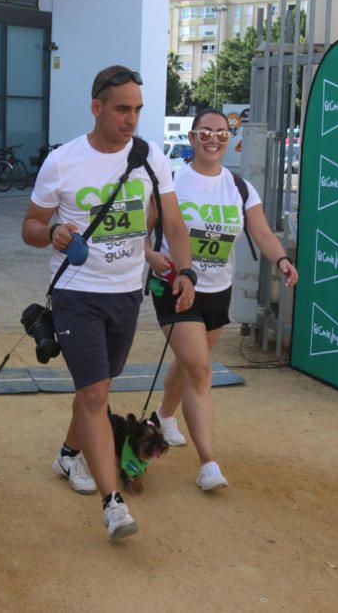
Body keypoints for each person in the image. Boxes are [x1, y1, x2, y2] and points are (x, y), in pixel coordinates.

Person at [22, 65, 197, 542]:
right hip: (77, 293)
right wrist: (54, 232)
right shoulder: (62, 162)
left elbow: (175, 226)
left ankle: (67, 453)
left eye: (137, 109)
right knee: (97, 394)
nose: (131, 119)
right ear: (97, 107)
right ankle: (112, 503)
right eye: (122, 108)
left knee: (93, 388)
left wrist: (182, 270)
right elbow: (30, 227)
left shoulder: (149, 158)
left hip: (125, 293)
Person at [144, 108, 298, 491]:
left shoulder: (240, 187)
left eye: (222, 133)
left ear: (230, 139)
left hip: (218, 289)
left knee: (191, 362)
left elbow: (261, 232)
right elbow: (140, 231)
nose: (214, 139)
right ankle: (208, 463)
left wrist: (280, 259)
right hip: (175, 286)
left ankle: (164, 416)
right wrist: (150, 256)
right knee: (200, 371)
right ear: (192, 137)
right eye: (205, 132)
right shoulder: (172, 182)